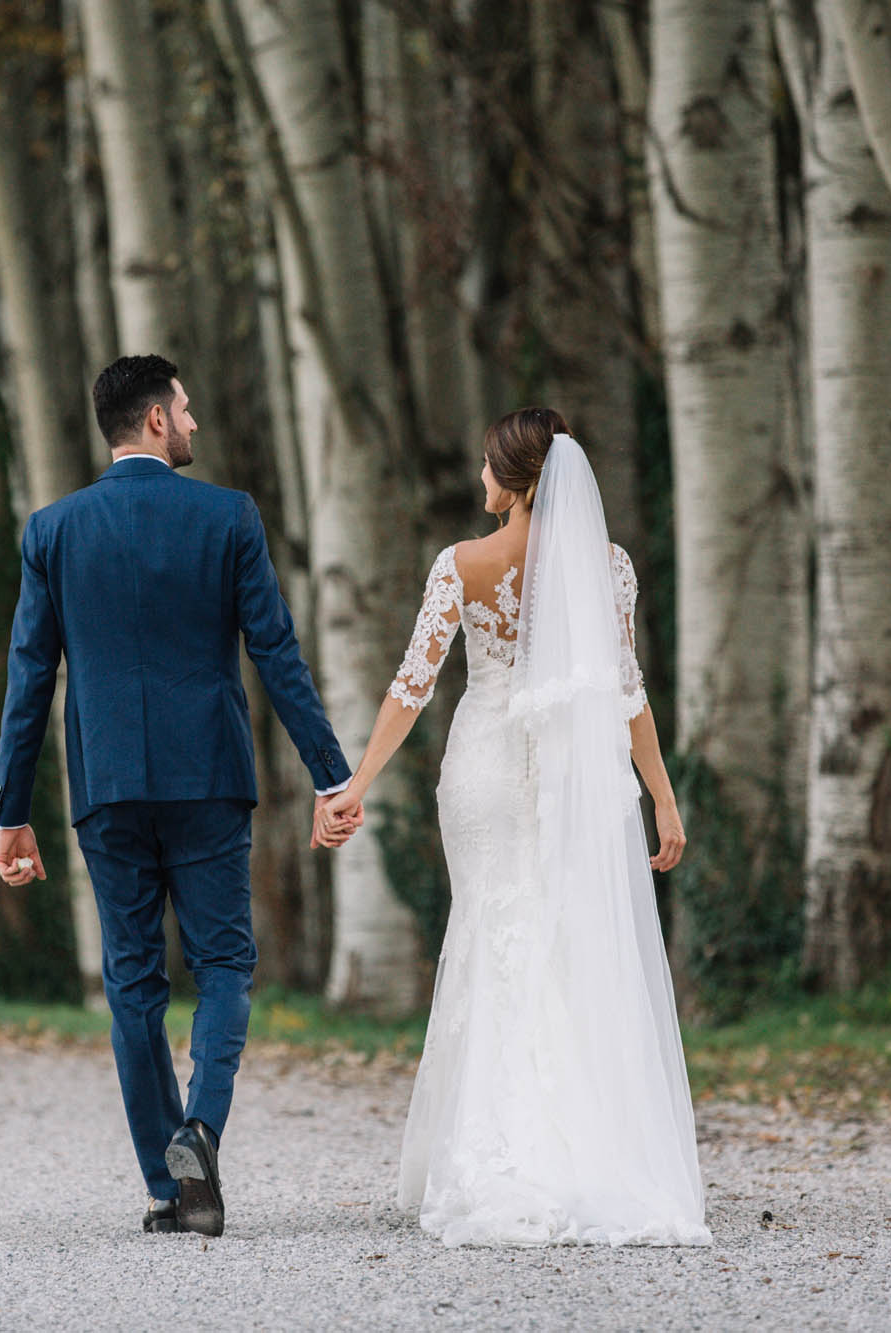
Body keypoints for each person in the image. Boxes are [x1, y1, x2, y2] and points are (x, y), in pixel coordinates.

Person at [320, 406, 712, 1248]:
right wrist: (663, 795)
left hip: (486, 770)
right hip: (570, 778)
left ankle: (495, 1146)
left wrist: (356, 783)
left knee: (494, 930)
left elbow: (410, 688)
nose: (479, 480)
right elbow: (626, 692)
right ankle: (582, 1143)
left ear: (516, 479)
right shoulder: (608, 569)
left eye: (488, 467)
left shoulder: (461, 563)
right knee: (564, 941)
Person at [0, 354, 358, 1238]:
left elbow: (29, 676)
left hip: (108, 786)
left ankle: (169, 1182)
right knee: (225, 965)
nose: (194, 423)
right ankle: (202, 1129)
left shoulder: (53, 530)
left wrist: (10, 811)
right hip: (208, 780)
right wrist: (331, 773)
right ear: (155, 419)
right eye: (185, 409)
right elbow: (276, 653)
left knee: (133, 984)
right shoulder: (227, 516)